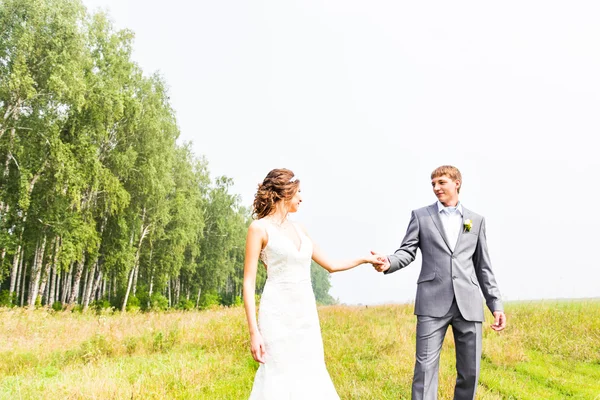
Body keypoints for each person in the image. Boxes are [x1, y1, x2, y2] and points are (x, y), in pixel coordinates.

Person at [243, 168, 382, 399]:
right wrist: (253, 332)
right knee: (278, 373)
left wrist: (365, 259)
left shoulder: (301, 228)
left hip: (305, 313)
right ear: (284, 193)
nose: (301, 198)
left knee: (311, 371)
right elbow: (248, 283)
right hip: (276, 314)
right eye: (298, 192)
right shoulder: (259, 229)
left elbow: (331, 264)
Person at [372, 165, 506, 400]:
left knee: (470, 372)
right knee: (424, 371)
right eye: (433, 183)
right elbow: (407, 251)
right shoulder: (421, 216)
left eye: (441, 182)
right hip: (432, 303)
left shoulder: (476, 220)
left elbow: (483, 267)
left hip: (469, 305)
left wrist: (496, 305)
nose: (436, 188)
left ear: (457, 183)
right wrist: (389, 262)